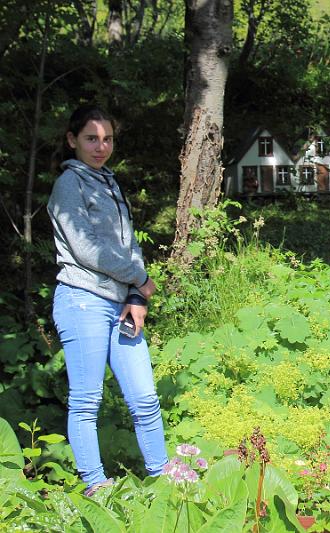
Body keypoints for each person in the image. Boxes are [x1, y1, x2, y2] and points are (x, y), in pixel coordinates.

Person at [47, 105, 168, 496]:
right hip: (83, 300)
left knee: (145, 397)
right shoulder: (70, 184)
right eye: (91, 139)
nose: (101, 147)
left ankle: (164, 479)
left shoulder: (109, 183)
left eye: (108, 139)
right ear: (72, 140)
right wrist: (141, 279)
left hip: (120, 304)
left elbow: (129, 246)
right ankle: (96, 488)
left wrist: (136, 295)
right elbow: (86, 249)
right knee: (86, 402)